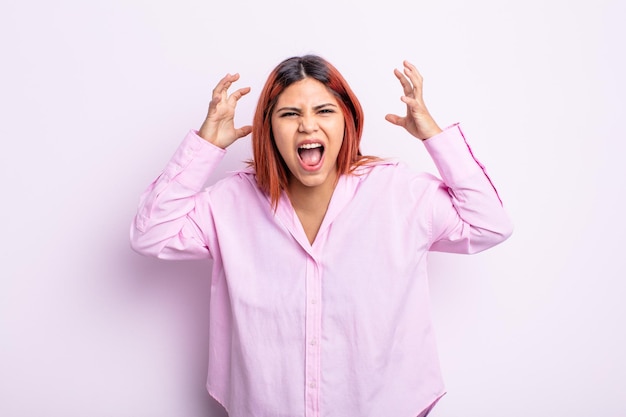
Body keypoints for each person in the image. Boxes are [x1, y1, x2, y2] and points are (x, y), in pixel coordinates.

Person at [130, 55, 513, 417]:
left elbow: (489, 224)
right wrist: (205, 146)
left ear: (347, 120)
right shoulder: (229, 202)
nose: (308, 126)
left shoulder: (400, 192)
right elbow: (150, 235)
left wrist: (433, 133)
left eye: (324, 111)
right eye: (290, 113)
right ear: (268, 128)